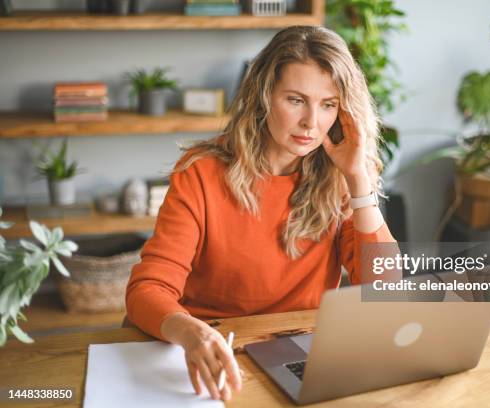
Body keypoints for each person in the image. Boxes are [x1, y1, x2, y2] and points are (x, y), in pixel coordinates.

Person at [125, 25, 398, 402]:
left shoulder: (342, 177)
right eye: (296, 100)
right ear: (264, 96)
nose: (311, 123)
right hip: (211, 352)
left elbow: (384, 289)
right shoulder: (201, 173)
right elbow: (148, 289)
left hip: (300, 353)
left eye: (328, 105)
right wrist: (192, 332)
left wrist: (357, 178)